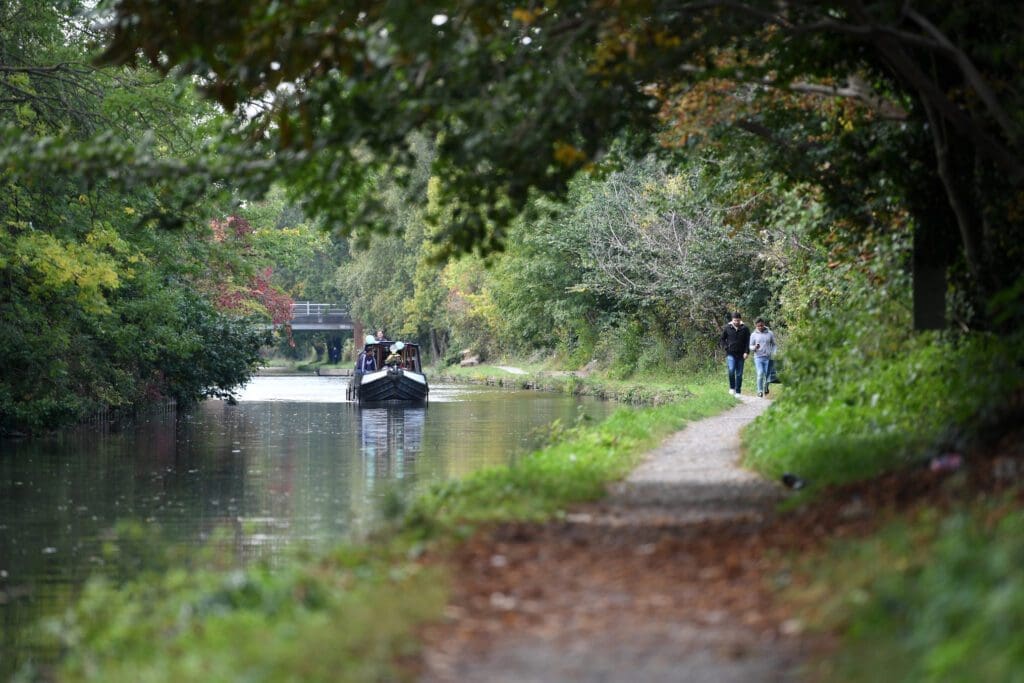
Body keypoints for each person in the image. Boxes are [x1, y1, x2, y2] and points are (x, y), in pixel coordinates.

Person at [719, 311, 750, 396]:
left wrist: (746, 352)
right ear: (732, 320)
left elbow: (748, 341)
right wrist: (726, 347)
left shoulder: (745, 329)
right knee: (731, 370)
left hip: (741, 354)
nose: (736, 322)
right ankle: (732, 388)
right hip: (730, 354)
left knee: (739, 374)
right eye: (735, 320)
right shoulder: (727, 328)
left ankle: (738, 391)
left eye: (738, 320)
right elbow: (722, 339)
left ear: (740, 320)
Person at [748, 317, 777, 398]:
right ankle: (759, 391)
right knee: (760, 373)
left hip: (768, 357)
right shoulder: (753, 335)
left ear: (764, 324)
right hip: (758, 357)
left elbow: (774, 344)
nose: (760, 327)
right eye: (758, 326)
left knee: (767, 375)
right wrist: (754, 347)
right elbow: (750, 346)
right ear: (755, 326)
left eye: (761, 325)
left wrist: (774, 352)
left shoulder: (770, 333)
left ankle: (766, 388)